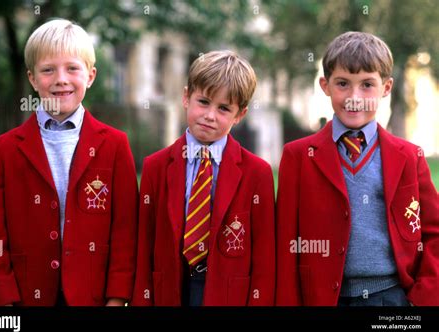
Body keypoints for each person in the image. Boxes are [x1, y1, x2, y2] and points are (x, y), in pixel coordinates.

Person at [0, 19, 138, 306]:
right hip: (27, 297)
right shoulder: (6, 149)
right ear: (32, 78)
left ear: (90, 76)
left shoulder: (115, 145)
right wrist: (5, 301)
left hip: (93, 298)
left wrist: (117, 298)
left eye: (72, 68)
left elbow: (125, 231)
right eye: (48, 70)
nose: (60, 79)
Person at [276, 31, 439, 306]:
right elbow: (285, 243)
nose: (354, 97)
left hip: (392, 298)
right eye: (342, 84)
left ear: (386, 88)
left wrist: (423, 298)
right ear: (325, 85)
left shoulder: (410, 156)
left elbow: (434, 232)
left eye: (367, 85)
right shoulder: (298, 156)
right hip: (323, 298)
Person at [132, 50, 275, 306]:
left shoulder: (258, 173)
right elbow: (144, 246)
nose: (210, 115)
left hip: (228, 293)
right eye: (204, 102)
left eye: (223, 108)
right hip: (172, 289)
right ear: (186, 97)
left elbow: (264, 256)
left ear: (239, 114)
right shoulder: (155, 167)